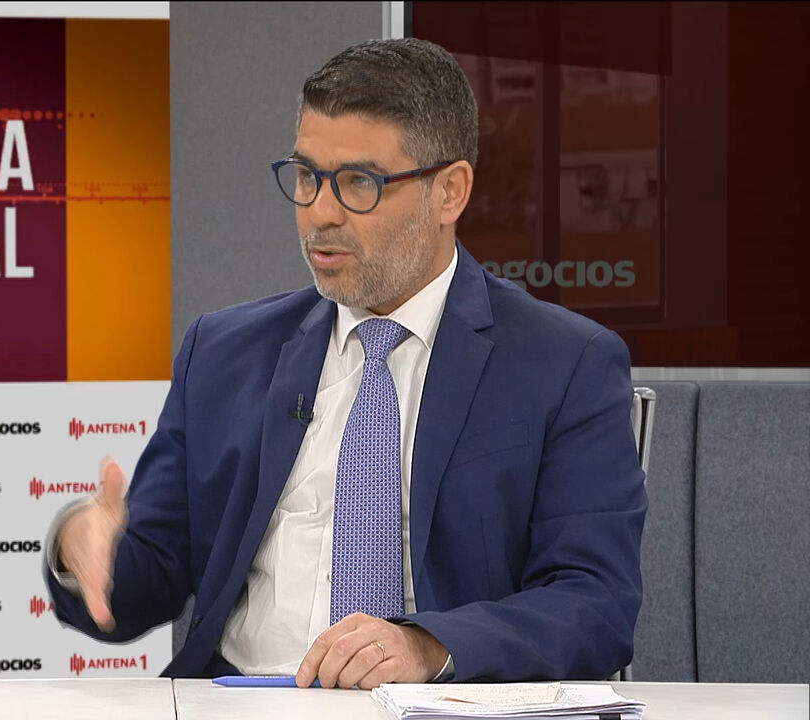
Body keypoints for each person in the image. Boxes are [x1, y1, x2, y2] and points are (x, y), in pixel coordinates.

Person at [43, 38, 646, 688]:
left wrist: (427, 649)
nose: (320, 214)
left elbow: (594, 604)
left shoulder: (565, 365)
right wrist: (85, 551)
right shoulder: (222, 354)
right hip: (242, 700)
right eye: (307, 176)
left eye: (359, 182)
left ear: (450, 192)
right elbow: (141, 585)